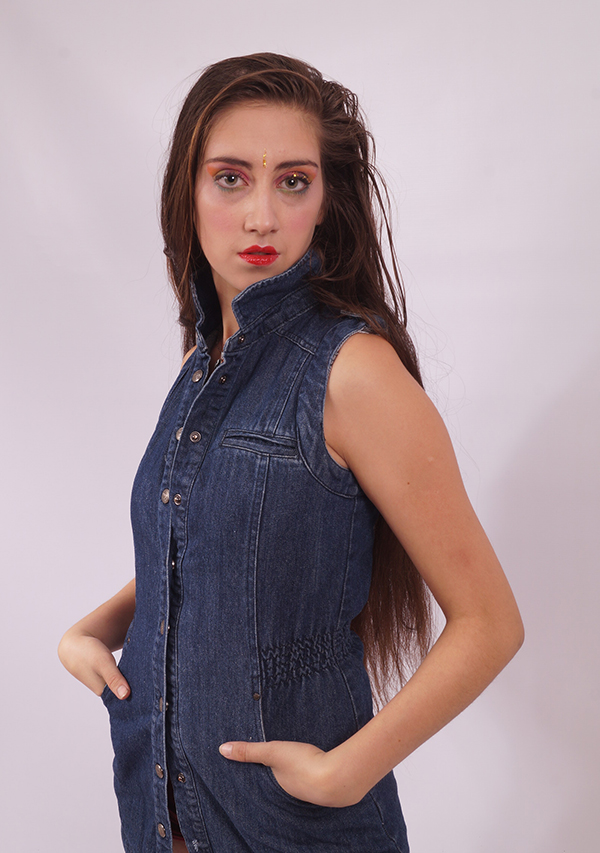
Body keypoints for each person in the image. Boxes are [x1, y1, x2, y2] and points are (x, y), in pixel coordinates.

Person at [58, 53, 524, 853]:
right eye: (230, 179)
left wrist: (346, 772)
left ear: (326, 200)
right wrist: (95, 627)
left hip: (296, 829)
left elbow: (491, 622)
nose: (262, 217)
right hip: (159, 811)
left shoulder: (354, 372)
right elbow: (211, 545)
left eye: (294, 182)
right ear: (187, 192)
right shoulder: (200, 363)